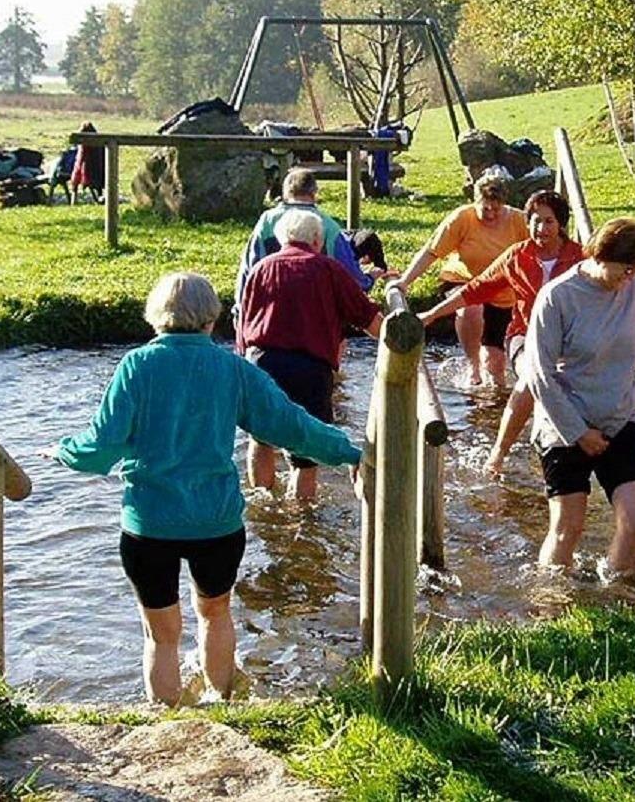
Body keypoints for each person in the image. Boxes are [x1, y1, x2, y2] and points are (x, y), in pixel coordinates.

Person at [56, 272, 361, 706]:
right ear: (211, 319)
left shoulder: (136, 366)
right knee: (216, 615)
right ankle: (222, 704)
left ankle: (165, 721)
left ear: (155, 315)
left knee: (160, 636)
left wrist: (62, 452)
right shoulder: (233, 369)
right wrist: (349, 452)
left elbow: (101, 448)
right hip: (215, 523)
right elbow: (291, 426)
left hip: (149, 524)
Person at [527, 218, 635, 575]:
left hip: (621, 416)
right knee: (568, 527)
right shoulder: (557, 297)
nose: (630, 277)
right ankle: (552, 597)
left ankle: (620, 592)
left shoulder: (632, 288)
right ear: (600, 256)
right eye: (626, 268)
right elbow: (540, 375)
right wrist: (578, 433)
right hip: (565, 422)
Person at [417, 190, 586, 475]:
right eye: (535, 221)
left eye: (548, 222)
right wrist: (432, 314)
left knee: (571, 385)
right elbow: (474, 289)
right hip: (524, 336)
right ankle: (498, 453)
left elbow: (617, 289)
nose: (541, 229)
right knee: (533, 376)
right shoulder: (517, 256)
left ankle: (559, 444)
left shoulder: (581, 259)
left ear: (561, 224)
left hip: (569, 341)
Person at [237, 210, 384, 501]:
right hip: (309, 367)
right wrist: (398, 343)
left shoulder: (261, 269)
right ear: (318, 240)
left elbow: (243, 321)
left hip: (262, 362)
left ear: (281, 239)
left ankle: (262, 503)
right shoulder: (328, 269)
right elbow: (366, 317)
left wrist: (242, 363)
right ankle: (301, 514)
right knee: (306, 451)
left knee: (261, 438)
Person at [389, 170, 527, 387]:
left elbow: (538, 253)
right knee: (472, 307)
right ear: (476, 202)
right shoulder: (462, 218)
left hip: (501, 291)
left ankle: (494, 397)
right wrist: (404, 281)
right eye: (485, 209)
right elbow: (431, 252)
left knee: (495, 364)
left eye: (496, 209)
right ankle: (473, 366)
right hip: (463, 279)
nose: (491, 214)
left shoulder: (518, 221)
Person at [234, 167, 392, 317]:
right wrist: (369, 278)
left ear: (285, 192)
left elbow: (249, 270)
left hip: (271, 311)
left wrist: (239, 312)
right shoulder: (329, 226)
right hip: (317, 314)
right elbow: (352, 279)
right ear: (314, 193)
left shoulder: (266, 222)